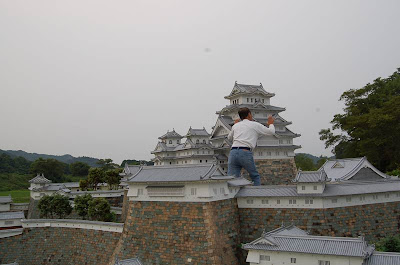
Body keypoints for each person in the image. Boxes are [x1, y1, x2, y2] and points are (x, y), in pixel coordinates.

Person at [227, 107, 275, 186]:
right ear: (249, 114)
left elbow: (229, 138)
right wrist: (270, 123)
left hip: (233, 152)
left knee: (232, 178)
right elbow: (271, 132)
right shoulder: (254, 124)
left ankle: (232, 197)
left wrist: (235, 126)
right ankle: (257, 196)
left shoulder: (236, 126)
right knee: (255, 176)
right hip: (245, 152)